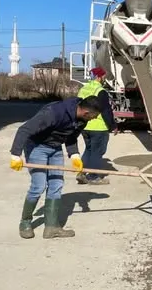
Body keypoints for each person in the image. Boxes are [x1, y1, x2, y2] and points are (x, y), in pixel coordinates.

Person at [9, 96, 102, 239]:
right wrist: (15, 154)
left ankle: (51, 228)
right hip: (37, 146)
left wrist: (74, 155)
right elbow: (24, 129)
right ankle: (25, 222)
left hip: (55, 147)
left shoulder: (82, 120)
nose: (95, 119)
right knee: (38, 186)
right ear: (86, 113)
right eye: (94, 116)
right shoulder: (54, 112)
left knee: (56, 184)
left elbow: (71, 137)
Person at [76, 67, 117, 185]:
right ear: (99, 77)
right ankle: (93, 177)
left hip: (85, 126)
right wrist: (112, 126)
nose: (104, 79)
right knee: (97, 152)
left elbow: (77, 105)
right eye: (104, 76)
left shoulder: (84, 88)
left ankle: (81, 173)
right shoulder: (100, 91)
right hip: (98, 127)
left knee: (88, 150)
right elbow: (106, 111)